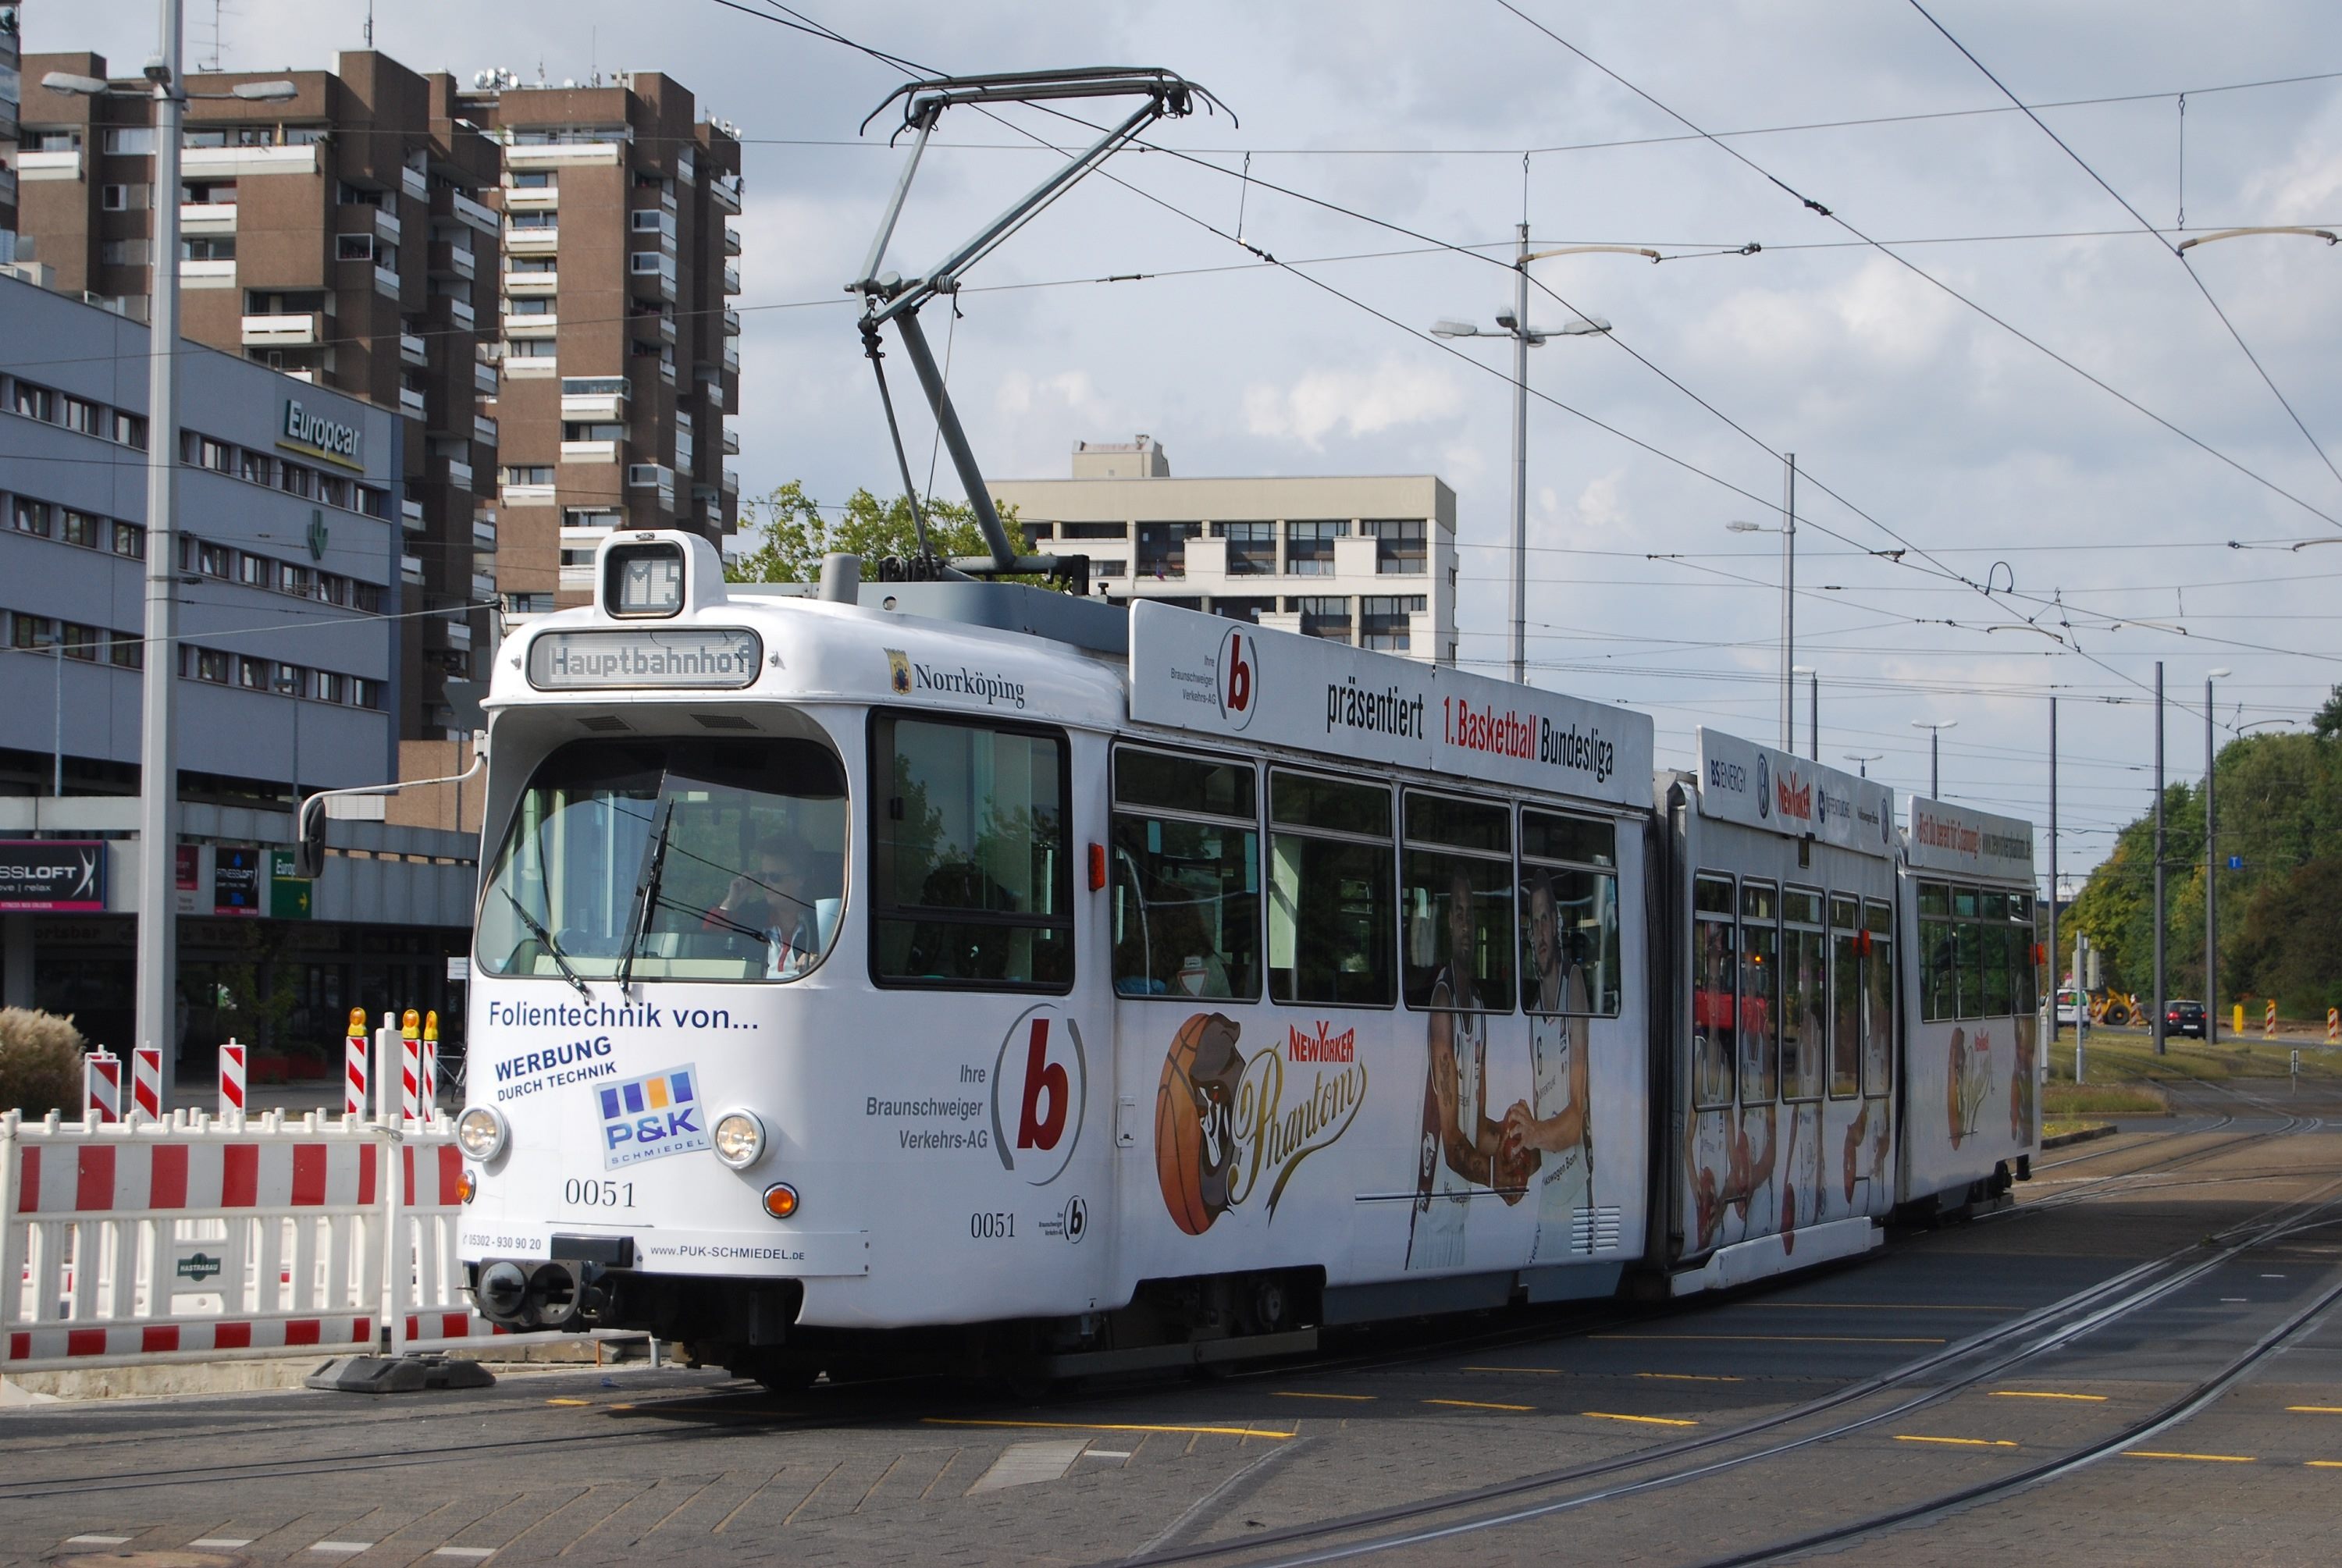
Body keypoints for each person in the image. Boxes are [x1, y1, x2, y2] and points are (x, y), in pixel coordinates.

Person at [1408, 870, 1525, 1272]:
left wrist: (1517, 1142)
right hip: (1432, 1219)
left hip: (1458, 1219)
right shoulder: (1443, 1003)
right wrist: (1496, 1175)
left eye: (1470, 915)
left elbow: (1475, 1128)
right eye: (1457, 914)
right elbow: (1453, 1142)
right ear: (1446, 923)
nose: (1465, 924)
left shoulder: (1476, 1004)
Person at [1507, 873, 1594, 1262]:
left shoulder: (1572, 985)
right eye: (1534, 922)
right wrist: (1515, 1154)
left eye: (1546, 919)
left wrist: (1534, 1133)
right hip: (1549, 1196)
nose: (1540, 931)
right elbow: (1542, 1135)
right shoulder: (1532, 1013)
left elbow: (1575, 1121)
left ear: (1557, 924)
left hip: (1575, 1193)